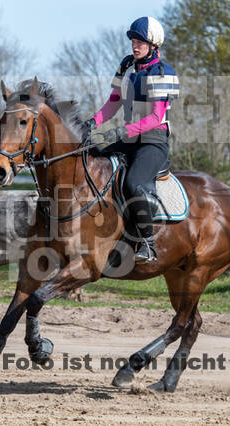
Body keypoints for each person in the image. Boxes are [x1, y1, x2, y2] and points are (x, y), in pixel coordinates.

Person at [84, 16, 179, 264]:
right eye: (133, 41)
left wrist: (123, 132)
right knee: (94, 165)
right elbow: (113, 102)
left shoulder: (162, 73)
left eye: (141, 42)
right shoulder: (127, 68)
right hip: (129, 138)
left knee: (134, 183)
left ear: (153, 45)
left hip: (152, 141)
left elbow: (156, 117)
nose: (135, 46)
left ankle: (146, 243)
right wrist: (92, 122)